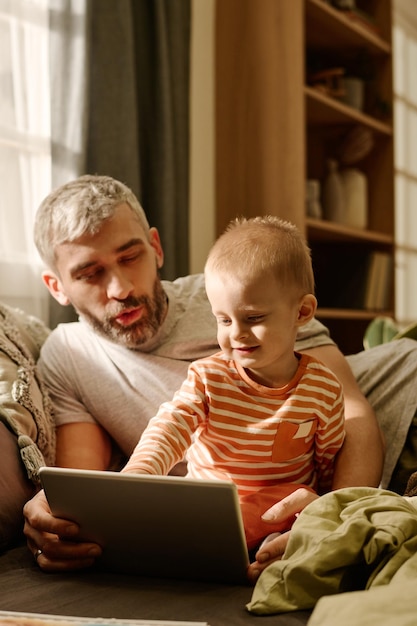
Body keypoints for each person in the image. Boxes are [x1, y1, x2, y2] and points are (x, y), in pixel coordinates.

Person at [24, 173, 409, 583]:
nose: (120, 287)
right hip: (227, 498)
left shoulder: (239, 288)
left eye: (130, 256)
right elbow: (89, 473)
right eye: (90, 273)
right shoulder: (68, 354)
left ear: (155, 247)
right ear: (57, 286)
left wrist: (331, 518)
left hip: (374, 417)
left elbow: (348, 412)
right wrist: (59, 519)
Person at [122, 216, 345, 550]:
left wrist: (324, 511)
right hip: (211, 508)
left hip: (279, 510)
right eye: (223, 320)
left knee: (304, 503)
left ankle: (272, 552)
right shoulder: (208, 377)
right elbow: (172, 425)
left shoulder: (322, 389)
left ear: (302, 312)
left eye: (253, 318)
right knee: (169, 512)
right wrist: (142, 470)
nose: (236, 333)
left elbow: (328, 465)